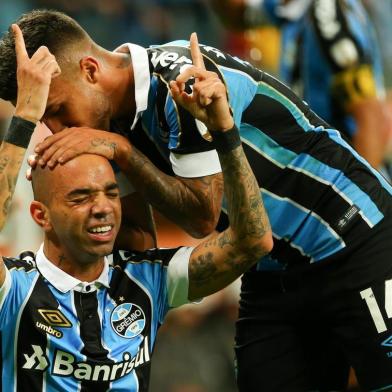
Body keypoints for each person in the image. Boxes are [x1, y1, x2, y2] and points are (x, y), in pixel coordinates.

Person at [1, 9, 392, 391]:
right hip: (272, 268)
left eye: (56, 110)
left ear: (90, 70)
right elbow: (138, 243)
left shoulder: (181, 80)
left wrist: (122, 151)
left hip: (355, 236)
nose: (57, 128)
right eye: (44, 120)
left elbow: (203, 216)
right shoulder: (106, 125)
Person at [0, 22, 272, 391]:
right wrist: (25, 117)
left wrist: (224, 131)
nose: (102, 208)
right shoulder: (15, 288)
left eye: (111, 193)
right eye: (80, 197)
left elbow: (253, 241)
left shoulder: (146, 282)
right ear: (40, 215)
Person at [211, 0, 392, 176]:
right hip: (324, 171)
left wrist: (360, 197)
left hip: (347, 178)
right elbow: (238, 15)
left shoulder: (328, 14)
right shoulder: (289, 6)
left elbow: (371, 118)